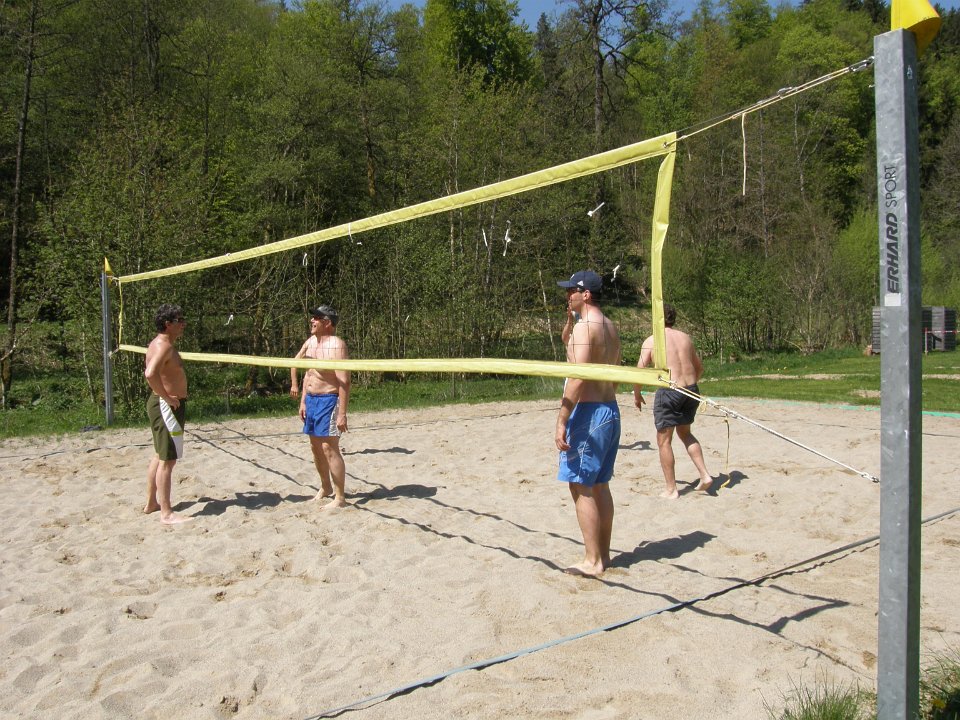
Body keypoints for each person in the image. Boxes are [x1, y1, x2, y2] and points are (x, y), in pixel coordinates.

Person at [555, 270, 622, 577]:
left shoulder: (587, 327)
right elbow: (616, 371)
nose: (567, 295)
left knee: (581, 485)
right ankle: (602, 556)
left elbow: (578, 376)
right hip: (609, 409)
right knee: (599, 485)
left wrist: (562, 418)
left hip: (589, 412)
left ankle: (592, 560)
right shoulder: (609, 325)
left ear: (586, 294)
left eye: (572, 290)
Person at [634, 303, 713, 499]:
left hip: (670, 391)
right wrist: (688, 386)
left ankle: (671, 489)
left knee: (664, 441)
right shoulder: (685, 338)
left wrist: (637, 394)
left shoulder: (653, 340)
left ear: (657, 318)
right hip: (691, 389)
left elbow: (639, 371)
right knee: (686, 433)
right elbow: (699, 368)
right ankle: (705, 475)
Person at [290, 305, 351, 509]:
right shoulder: (310, 342)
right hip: (311, 400)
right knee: (315, 447)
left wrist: (342, 413)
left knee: (329, 447)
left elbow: (344, 381)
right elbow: (307, 373)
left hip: (329, 399)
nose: (312, 320)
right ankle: (325, 487)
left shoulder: (336, 345)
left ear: (327, 322)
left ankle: (340, 497)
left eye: (316, 317)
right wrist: (302, 400)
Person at [144, 304, 192, 524]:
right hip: (166, 406)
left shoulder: (163, 344)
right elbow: (150, 374)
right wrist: (166, 397)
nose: (183, 324)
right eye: (179, 320)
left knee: (159, 455)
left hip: (166, 404)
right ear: (167, 324)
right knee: (168, 460)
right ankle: (166, 513)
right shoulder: (163, 346)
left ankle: (151, 503)